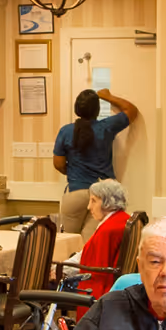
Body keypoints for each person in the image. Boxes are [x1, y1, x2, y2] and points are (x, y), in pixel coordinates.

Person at [52, 87, 141, 235]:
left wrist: (73, 171)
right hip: (101, 196)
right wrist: (107, 96)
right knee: (90, 242)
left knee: (66, 241)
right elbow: (131, 110)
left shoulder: (66, 131)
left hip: (76, 192)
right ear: (97, 110)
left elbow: (58, 163)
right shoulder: (106, 127)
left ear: (77, 109)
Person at [61, 178, 130, 300]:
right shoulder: (122, 219)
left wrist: (62, 270)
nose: (88, 207)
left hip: (99, 289)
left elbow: (94, 268)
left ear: (107, 202)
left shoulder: (108, 230)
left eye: (93, 201)